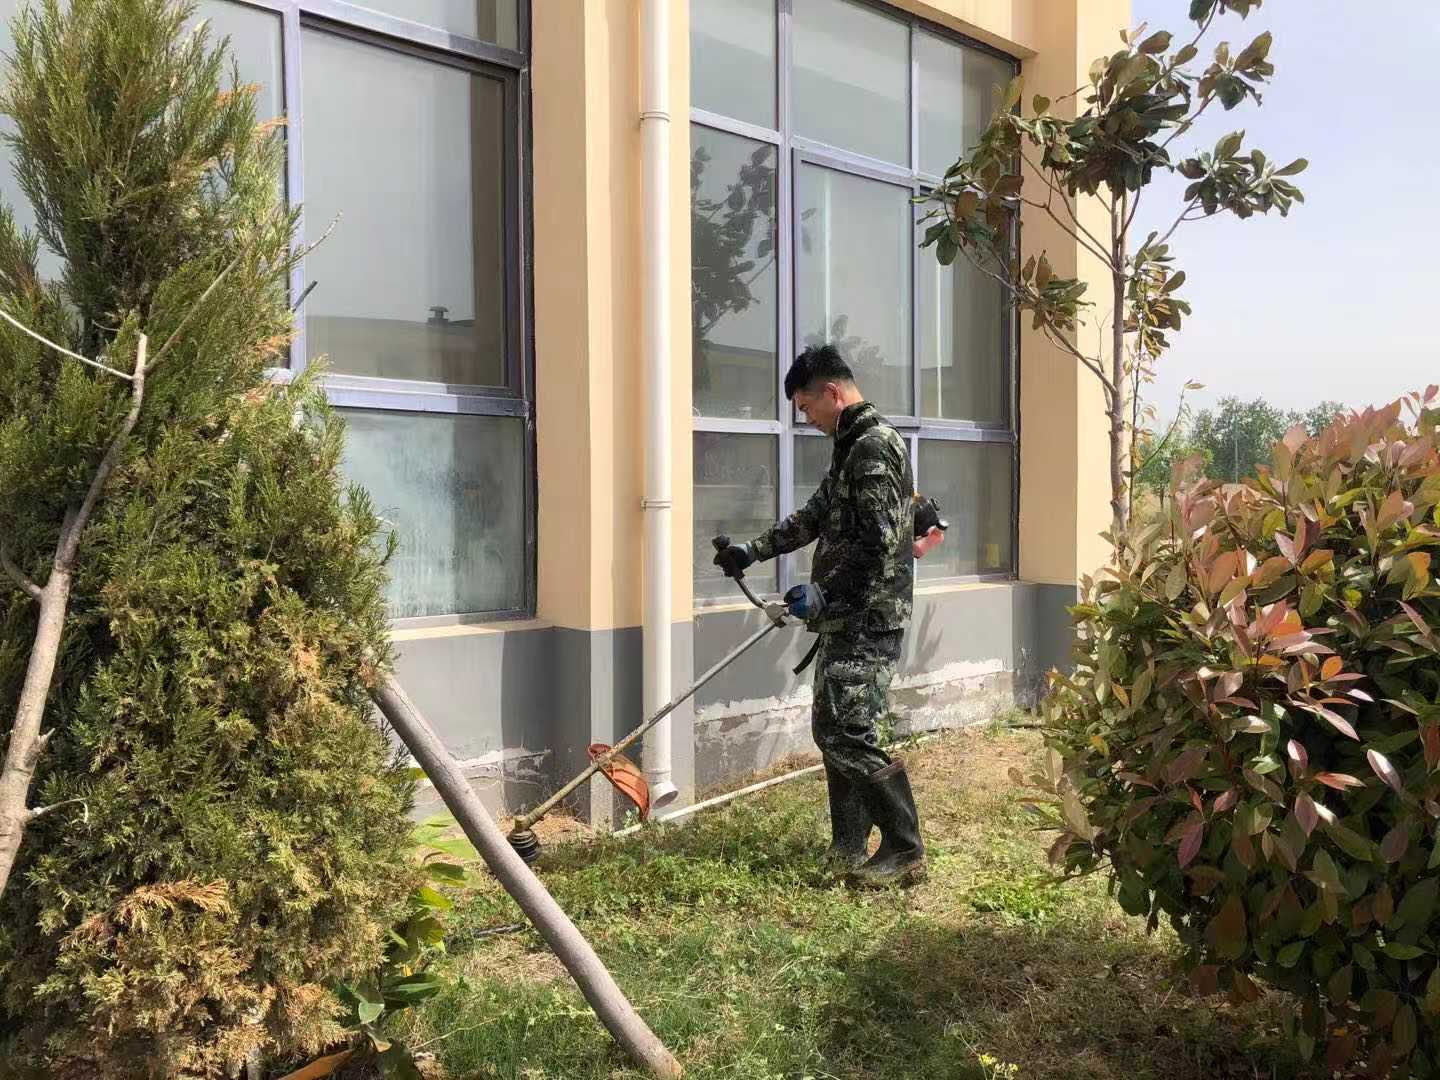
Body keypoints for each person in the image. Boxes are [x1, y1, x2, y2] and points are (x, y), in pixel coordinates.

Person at [713, 344, 924, 886]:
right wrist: (753, 552)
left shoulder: (873, 447)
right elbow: (815, 516)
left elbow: (878, 543)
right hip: (846, 617)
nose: (806, 419)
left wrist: (825, 592)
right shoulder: (850, 447)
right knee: (834, 727)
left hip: (868, 617)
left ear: (832, 392)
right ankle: (848, 845)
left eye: (806, 408)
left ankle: (905, 849)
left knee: (847, 732)